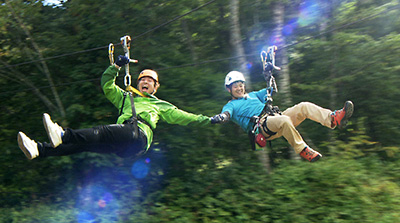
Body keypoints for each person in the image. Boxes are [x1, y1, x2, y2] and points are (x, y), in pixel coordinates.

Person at [17, 56, 211, 160]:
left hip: (138, 136)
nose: (145, 82)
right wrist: (116, 66)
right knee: (83, 145)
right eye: (143, 79)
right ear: (138, 82)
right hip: (125, 148)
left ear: (156, 86)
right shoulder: (127, 98)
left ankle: (63, 134)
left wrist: (209, 119)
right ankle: (39, 150)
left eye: (150, 81)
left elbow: (185, 116)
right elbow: (107, 85)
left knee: (100, 132)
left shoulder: (160, 105)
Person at [210, 71, 354, 162]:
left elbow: (271, 89)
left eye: (241, 85)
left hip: (275, 118)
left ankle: (333, 119)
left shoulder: (253, 95)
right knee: (284, 120)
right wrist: (220, 118)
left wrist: (269, 75)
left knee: (303, 106)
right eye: (235, 86)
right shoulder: (231, 105)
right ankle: (303, 150)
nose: (239, 88)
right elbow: (226, 115)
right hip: (262, 127)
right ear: (229, 89)